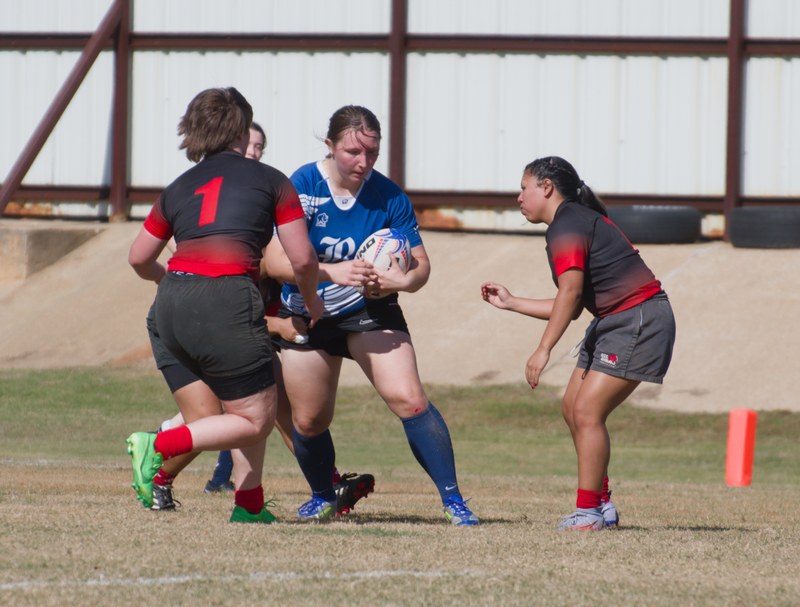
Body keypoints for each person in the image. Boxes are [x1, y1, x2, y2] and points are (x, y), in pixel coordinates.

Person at [145, 119, 374, 513]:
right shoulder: (242, 221)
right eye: (248, 146)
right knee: (223, 415)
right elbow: (279, 269)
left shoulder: (258, 207)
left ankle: (259, 499)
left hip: (236, 325)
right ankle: (159, 461)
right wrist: (313, 292)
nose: (253, 154)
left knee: (272, 411)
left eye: (260, 148)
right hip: (223, 325)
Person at [264, 104, 479, 525]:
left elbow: (421, 267)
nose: (363, 162)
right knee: (308, 419)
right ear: (329, 145)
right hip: (310, 312)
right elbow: (273, 261)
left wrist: (398, 283)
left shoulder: (389, 195)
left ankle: (454, 502)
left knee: (410, 400)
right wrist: (332, 272)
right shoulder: (302, 185)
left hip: (369, 308)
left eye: (372, 153)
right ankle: (324, 495)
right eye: (352, 152)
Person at [126, 86, 323, 524]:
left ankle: (249, 505)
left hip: (169, 307)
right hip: (226, 301)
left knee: (234, 406)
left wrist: (173, 281)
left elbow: (139, 257)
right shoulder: (273, 181)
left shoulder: (178, 187)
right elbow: (303, 258)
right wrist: (313, 303)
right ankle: (157, 445)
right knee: (256, 418)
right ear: (239, 128)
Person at [481, 156, 676, 531]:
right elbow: (568, 305)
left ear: (547, 187)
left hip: (637, 318)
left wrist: (543, 349)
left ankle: (587, 513)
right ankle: (601, 505)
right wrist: (512, 302)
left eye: (524, 187)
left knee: (587, 412)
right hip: (614, 319)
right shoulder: (570, 223)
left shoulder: (566, 225)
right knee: (573, 407)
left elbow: (570, 294)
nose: (519, 197)